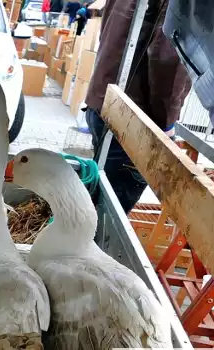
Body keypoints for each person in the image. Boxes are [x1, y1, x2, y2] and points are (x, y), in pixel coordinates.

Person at [84, 0, 191, 214]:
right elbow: (169, 58)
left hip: (104, 98)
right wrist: (166, 123)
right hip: (134, 116)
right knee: (107, 216)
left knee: (96, 197)